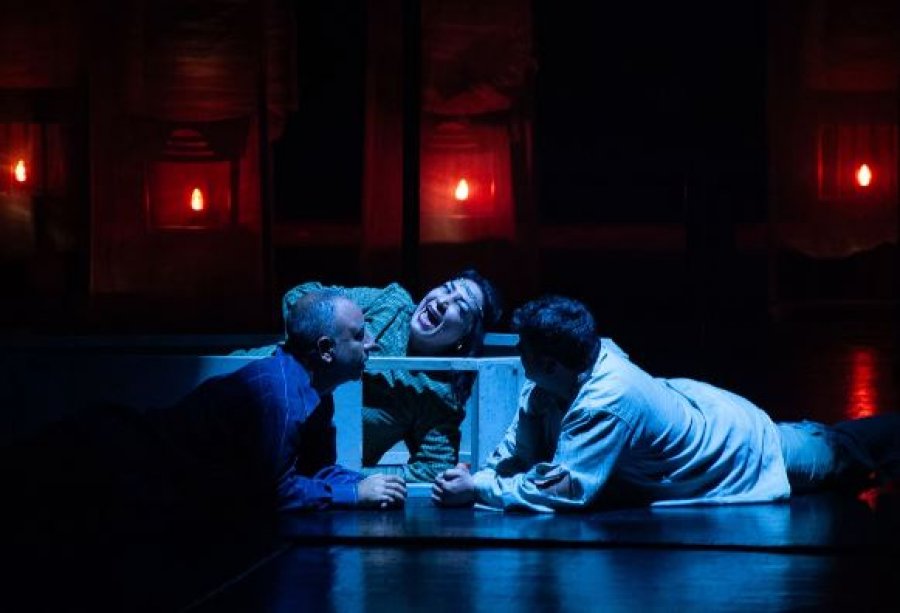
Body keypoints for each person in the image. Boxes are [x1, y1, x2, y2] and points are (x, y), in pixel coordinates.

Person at [3, 290, 406, 543]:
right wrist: (355, 494)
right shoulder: (279, 398)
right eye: (359, 335)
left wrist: (367, 484)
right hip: (108, 457)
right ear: (326, 350)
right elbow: (272, 493)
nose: (372, 343)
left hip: (125, 463)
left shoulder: (317, 393)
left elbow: (313, 472)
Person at [432, 295, 900, 512]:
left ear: (550, 363)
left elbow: (564, 488)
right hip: (703, 414)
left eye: (526, 351)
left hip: (743, 448)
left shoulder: (606, 401)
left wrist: (480, 488)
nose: (519, 356)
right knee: (845, 446)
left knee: (839, 453)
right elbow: (519, 442)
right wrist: (483, 473)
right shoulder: (554, 377)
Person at [237, 269, 502, 482]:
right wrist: (346, 338)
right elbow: (298, 296)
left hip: (290, 468)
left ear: (465, 337)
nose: (443, 301)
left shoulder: (437, 393)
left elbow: (433, 470)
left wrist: (357, 478)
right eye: (446, 288)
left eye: (461, 307)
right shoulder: (391, 304)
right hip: (248, 388)